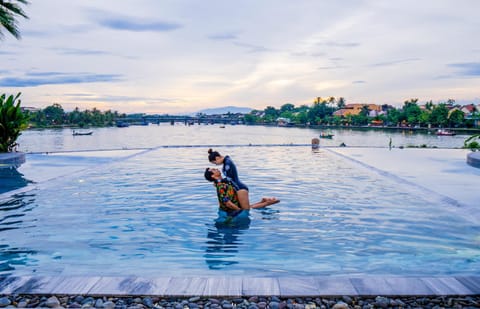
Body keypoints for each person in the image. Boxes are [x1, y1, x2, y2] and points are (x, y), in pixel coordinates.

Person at [204, 167, 279, 223]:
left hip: (234, 208)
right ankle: (264, 202)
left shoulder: (222, 183)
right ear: (213, 176)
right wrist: (239, 210)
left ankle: (265, 202)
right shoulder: (221, 186)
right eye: (214, 170)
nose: (216, 169)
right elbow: (227, 202)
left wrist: (239, 210)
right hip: (232, 209)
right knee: (247, 210)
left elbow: (228, 202)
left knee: (246, 209)